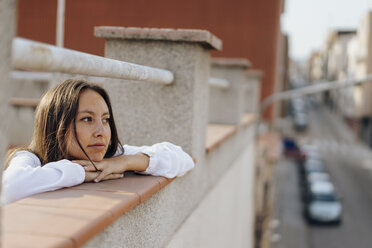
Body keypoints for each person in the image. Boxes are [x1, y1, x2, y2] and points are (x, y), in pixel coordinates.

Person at [2, 79, 194, 205]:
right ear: (56, 125)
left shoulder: (110, 157)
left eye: (106, 120)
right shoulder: (29, 158)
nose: (101, 132)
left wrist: (125, 161)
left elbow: (183, 158)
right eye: (87, 119)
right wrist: (81, 172)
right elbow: (10, 187)